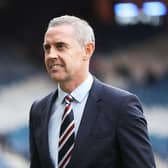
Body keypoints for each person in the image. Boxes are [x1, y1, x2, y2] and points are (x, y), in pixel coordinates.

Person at [29, 15, 156, 168]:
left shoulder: (121, 106)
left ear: (87, 50)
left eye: (60, 46)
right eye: (47, 48)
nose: (51, 55)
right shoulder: (38, 109)